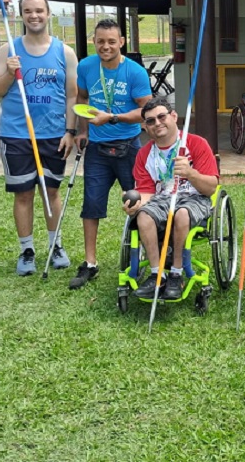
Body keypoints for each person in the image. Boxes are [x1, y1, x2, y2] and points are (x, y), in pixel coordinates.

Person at [0, 0, 79, 276]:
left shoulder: (64, 52)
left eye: (39, 11)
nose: (34, 16)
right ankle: (27, 250)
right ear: (21, 15)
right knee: (23, 194)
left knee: (51, 191)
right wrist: (8, 73)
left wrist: (70, 131)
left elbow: (72, 96)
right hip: (17, 135)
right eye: (28, 11)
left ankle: (56, 245)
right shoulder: (8, 50)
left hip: (53, 135)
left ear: (48, 13)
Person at [70, 18, 152, 289]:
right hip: (97, 149)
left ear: (122, 43)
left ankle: (143, 257)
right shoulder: (85, 66)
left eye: (111, 41)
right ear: (94, 41)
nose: (106, 46)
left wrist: (113, 117)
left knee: (138, 203)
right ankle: (90, 263)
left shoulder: (135, 72)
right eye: (100, 41)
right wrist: (82, 131)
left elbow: (146, 111)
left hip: (129, 147)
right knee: (91, 205)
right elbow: (82, 99)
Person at [124, 96, 220, 300]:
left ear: (173, 116)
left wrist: (190, 173)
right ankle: (156, 273)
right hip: (161, 199)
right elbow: (147, 192)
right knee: (143, 216)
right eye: (151, 121)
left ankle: (176, 273)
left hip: (194, 198)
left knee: (182, 214)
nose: (157, 123)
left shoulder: (196, 144)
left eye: (161, 117)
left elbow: (211, 188)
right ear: (145, 127)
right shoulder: (144, 154)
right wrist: (136, 204)